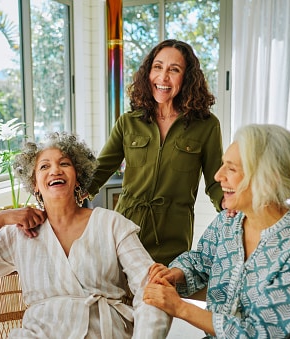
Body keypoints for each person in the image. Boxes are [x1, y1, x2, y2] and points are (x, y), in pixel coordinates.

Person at [0, 132, 172, 338]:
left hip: (103, 332)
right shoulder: (18, 236)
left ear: (78, 178)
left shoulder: (111, 224)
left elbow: (151, 287)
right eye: (44, 166)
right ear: (35, 184)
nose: (55, 170)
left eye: (64, 163)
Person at [144, 124, 290, 338]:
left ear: (267, 179)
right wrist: (175, 274)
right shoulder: (227, 222)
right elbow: (201, 261)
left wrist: (179, 308)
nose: (218, 176)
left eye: (231, 168)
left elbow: (260, 333)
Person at [88, 39, 225, 266]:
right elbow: (98, 171)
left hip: (172, 240)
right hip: (125, 233)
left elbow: (215, 182)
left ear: (187, 77)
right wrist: (65, 195)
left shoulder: (207, 125)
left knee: (159, 299)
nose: (163, 77)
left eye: (174, 70)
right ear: (148, 72)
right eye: (158, 67)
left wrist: (230, 205)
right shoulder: (128, 122)